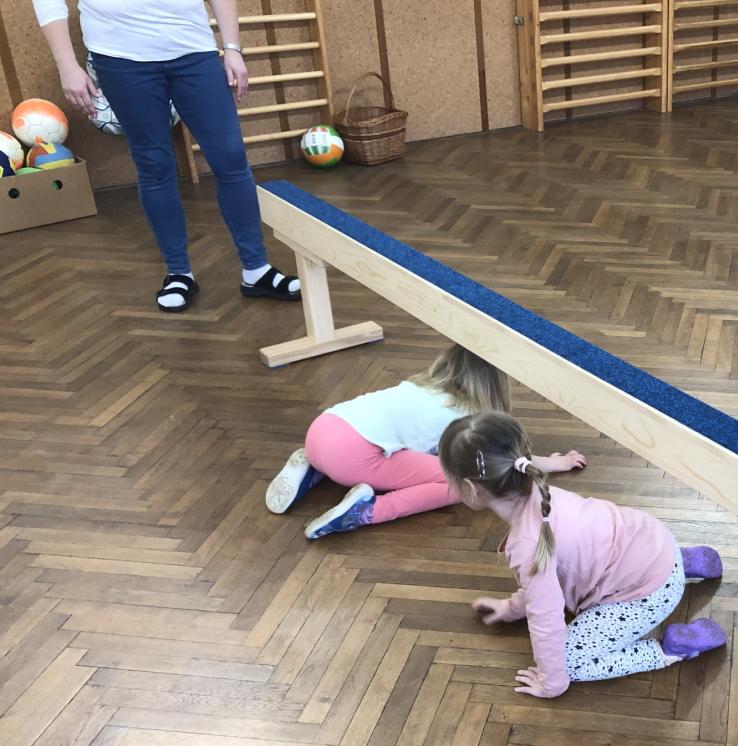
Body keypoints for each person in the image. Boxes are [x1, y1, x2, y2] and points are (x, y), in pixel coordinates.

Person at [34, 0, 303, 312]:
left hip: (193, 50)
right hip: (120, 59)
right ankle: (178, 273)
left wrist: (232, 47)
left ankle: (256, 269)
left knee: (231, 158)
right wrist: (67, 65)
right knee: (154, 166)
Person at [437, 411, 727, 699]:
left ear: (472, 490)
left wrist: (552, 682)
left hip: (647, 595)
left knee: (569, 664)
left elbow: (546, 616)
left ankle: (671, 650)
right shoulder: (538, 487)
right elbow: (546, 582)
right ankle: (687, 562)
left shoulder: (527, 545)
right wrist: (511, 608)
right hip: (656, 542)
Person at [267, 345, 586, 540]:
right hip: (352, 456)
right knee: (460, 484)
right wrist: (556, 463)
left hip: (322, 428)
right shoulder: (467, 415)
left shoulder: (418, 387)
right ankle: (367, 511)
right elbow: (506, 459)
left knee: (394, 447)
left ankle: (314, 467)